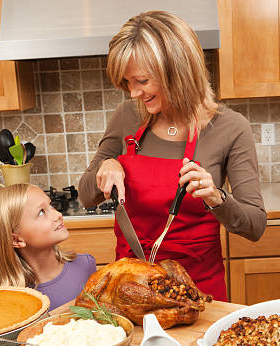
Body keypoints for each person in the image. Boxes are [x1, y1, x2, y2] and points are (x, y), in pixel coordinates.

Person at [79, 10, 266, 301]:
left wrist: (216, 197)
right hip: (131, 293)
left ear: (177, 72)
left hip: (201, 296)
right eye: (127, 82)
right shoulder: (127, 117)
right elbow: (85, 195)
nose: (133, 93)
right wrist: (107, 164)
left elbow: (255, 226)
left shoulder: (230, 128)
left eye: (141, 81)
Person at [0, 183, 96, 312]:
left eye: (51, 205)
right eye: (41, 212)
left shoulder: (85, 266)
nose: (58, 214)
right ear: (16, 239)